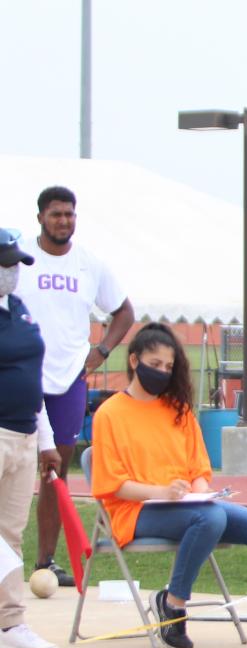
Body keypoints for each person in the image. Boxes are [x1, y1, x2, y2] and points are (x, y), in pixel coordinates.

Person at [90, 323, 247, 648]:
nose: (163, 373)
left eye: (168, 367)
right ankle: (174, 606)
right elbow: (113, 485)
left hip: (185, 506)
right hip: (134, 510)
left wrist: (197, 491)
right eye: (155, 365)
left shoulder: (177, 410)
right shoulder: (110, 414)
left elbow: (198, 469)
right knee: (209, 519)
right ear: (135, 361)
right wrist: (162, 493)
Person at [17, 185, 135, 586]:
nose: (63, 221)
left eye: (69, 214)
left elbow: (123, 311)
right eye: (55, 214)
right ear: (40, 218)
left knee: (54, 472)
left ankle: (44, 562)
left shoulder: (90, 264)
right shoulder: (19, 258)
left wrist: (101, 351)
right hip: (19, 379)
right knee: (9, 467)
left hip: (68, 380)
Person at [0, 229, 59, 648]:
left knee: (10, 535)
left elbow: (33, 382)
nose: (11, 271)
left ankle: (10, 623)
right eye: (5, 262)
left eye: (14, 263)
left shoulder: (19, 310)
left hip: (22, 435)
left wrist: (46, 440)